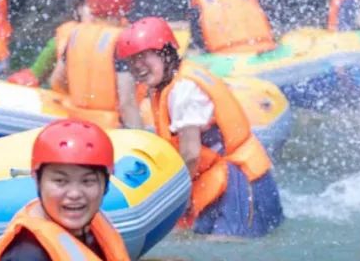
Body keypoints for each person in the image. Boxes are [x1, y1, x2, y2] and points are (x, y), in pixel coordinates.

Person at [116, 17, 283, 237]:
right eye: (132, 61)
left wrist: (177, 200)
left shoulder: (184, 90)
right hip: (225, 177)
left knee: (226, 246)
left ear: (166, 52)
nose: (138, 66)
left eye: (144, 56)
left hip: (241, 179)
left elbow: (191, 153)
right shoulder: (173, 82)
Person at [0, 120, 129, 261]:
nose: (74, 194)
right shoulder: (27, 254)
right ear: (37, 179)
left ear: (106, 183)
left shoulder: (93, 226)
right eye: (60, 181)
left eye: (87, 181)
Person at [48, 0, 141, 128]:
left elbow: (57, 80)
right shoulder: (122, 41)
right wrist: (141, 138)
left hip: (76, 122)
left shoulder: (75, 34)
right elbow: (127, 103)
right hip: (109, 129)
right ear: (128, 0)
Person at [8, 0, 92, 87]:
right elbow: (36, 74)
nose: (96, 11)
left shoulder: (108, 44)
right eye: (91, 5)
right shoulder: (62, 39)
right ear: (79, 8)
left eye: (102, 8)